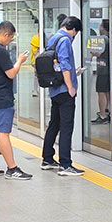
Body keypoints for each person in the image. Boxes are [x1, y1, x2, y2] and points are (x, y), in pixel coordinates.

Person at [0, 21, 32, 180]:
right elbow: (10, 73)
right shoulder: (0, 51)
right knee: (3, 133)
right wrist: (20, 61)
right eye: (10, 39)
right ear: (6, 34)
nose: (10, 42)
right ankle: (12, 168)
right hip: (1, 96)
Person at [42, 16, 85, 176]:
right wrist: (71, 87)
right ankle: (65, 164)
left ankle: (47, 158)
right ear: (73, 29)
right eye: (76, 33)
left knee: (54, 124)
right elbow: (65, 65)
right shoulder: (65, 40)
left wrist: (75, 72)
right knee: (66, 127)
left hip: (54, 89)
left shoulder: (54, 37)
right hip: (64, 91)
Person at [91, 19, 111, 124]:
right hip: (109, 68)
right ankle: (109, 112)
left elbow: (98, 53)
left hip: (102, 69)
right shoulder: (110, 38)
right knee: (108, 91)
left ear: (103, 27)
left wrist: (91, 51)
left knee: (101, 92)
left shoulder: (103, 39)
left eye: (100, 26)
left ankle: (103, 115)